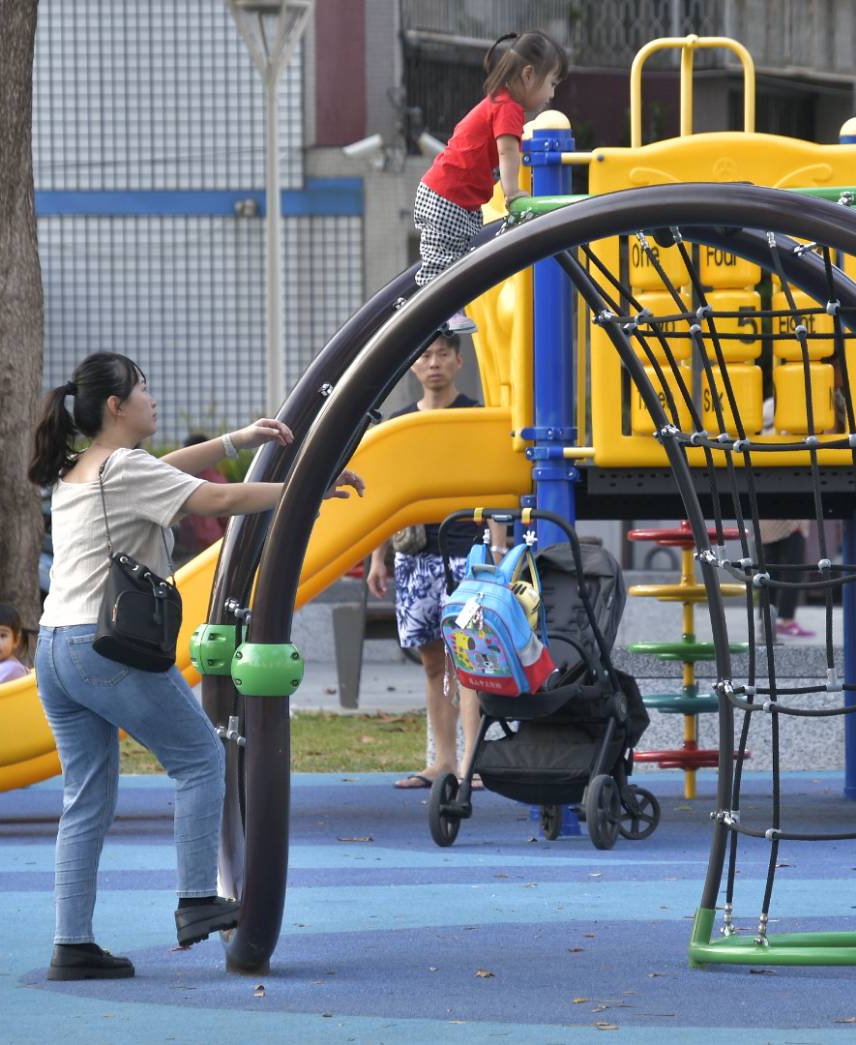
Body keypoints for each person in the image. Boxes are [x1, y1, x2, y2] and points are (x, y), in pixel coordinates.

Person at [27, 351, 362, 981]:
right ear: (116, 407)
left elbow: (163, 472)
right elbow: (223, 496)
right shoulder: (124, 470)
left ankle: (71, 942)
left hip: (52, 650)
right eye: (144, 389)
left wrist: (236, 438)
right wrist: (312, 485)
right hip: (104, 650)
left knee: (87, 798)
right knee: (201, 760)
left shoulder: (82, 466)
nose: (154, 398)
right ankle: (194, 900)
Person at [367, 329, 504, 790]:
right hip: (416, 556)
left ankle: (471, 763)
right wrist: (376, 558)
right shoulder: (403, 424)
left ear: (458, 362)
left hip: (468, 552)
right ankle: (442, 761)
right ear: (413, 365)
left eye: (443, 354)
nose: (434, 363)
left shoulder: (475, 418)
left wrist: (499, 547)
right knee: (431, 662)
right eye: (425, 355)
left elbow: (495, 483)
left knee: (468, 660)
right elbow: (386, 496)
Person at [414, 31, 566, 328]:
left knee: (455, 255)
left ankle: (446, 309)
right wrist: (513, 192)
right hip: (448, 195)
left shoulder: (499, 103)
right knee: (442, 260)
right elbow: (508, 150)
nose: (551, 94)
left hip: (454, 195)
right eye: (552, 83)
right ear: (528, 75)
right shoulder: (508, 108)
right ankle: (436, 312)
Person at [171, 433, 231, 563]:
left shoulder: (206, 481)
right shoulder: (215, 477)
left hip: (207, 550)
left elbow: (216, 525)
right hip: (209, 548)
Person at [758, 519, 816, 639]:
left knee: (769, 573)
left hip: (765, 524)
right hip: (790, 523)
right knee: (793, 572)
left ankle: (767, 622)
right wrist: (797, 524)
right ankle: (787, 622)